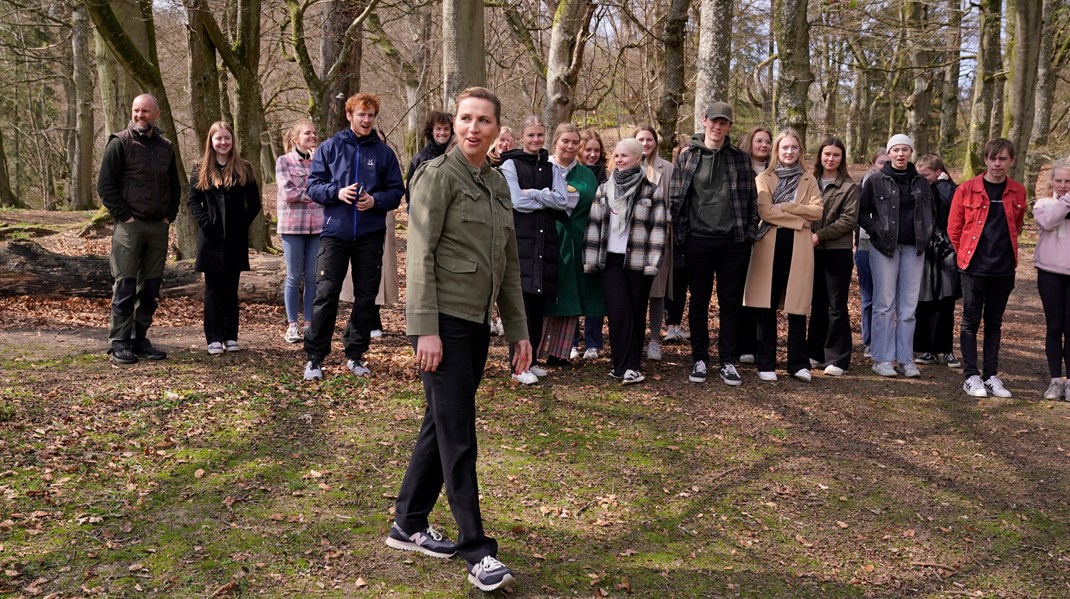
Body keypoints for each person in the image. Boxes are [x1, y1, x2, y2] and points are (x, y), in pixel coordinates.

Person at [389, 86, 530, 593]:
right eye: (466, 119)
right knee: (458, 434)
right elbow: (420, 255)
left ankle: (407, 522)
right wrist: (424, 328)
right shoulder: (435, 176)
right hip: (441, 322)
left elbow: (508, 264)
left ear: (496, 129)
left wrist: (518, 331)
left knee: (440, 423)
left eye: (484, 121)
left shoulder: (496, 184)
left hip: (474, 323)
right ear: (455, 124)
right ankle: (477, 551)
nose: (474, 128)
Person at [302, 92, 404, 381]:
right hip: (335, 233)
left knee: (365, 297)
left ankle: (355, 354)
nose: (367, 119)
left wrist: (376, 200)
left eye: (371, 115)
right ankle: (315, 357)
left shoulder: (383, 153)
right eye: (362, 114)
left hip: (370, 235)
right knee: (326, 294)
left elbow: (397, 191)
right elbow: (313, 187)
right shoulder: (330, 148)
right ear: (350, 116)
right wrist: (337, 192)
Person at [668, 101, 758, 386]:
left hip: (733, 242)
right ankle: (699, 358)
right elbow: (676, 201)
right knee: (699, 302)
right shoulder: (688, 157)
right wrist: (683, 236)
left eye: (724, 122)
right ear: (704, 121)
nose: (718, 126)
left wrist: (748, 235)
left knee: (731, 303)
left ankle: (728, 361)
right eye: (714, 121)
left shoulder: (739, 159)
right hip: (698, 242)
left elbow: (751, 201)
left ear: (729, 126)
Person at [98, 94, 179, 364]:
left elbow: (175, 186)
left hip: (159, 227)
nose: (139, 115)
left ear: (157, 114)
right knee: (125, 285)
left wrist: (170, 215)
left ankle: (138, 338)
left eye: (145, 111)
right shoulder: (119, 143)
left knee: (150, 287)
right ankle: (119, 342)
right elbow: (106, 186)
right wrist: (125, 217)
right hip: (129, 227)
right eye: (136, 110)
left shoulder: (166, 146)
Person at [948, 138, 1026, 398]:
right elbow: (954, 228)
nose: (997, 163)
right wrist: (964, 257)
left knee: (994, 323)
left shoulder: (1018, 191)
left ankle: (991, 375)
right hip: (973, 266)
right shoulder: (967, 189)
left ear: (1011, 161)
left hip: (1003, 268)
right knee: (971, 321)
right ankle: (971, 376)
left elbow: (1017, 224)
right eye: (993, 158)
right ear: (985, 160)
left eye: (1003, 159)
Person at [583, 138, 666, 384]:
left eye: (624, 156)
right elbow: (594, 226)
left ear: (638, 158)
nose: (619, 160)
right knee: (619, 311)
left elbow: (658, 229)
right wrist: (589, 260)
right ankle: (622, 364)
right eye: (616, 156)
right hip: (610, 261)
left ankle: (631, 366)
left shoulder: (651, 190)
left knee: (636, 312)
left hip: (639, 262)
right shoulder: (603, 189)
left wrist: (653, 262)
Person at [743, 128, 823, 382]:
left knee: (796, 305)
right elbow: (766, 212)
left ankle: (798, 364)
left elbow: (817, 212)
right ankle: (766, 362)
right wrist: (800, 220)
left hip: (798, 248)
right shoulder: (764, 177)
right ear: (777, 150)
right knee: (766, 304)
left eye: (794, 148)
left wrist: (787, 206)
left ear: (800, 151)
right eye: (785, 147)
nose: (789, 152)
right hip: (769, 245)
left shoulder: (808, 179)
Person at [499, 116, 572, 384]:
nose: (536, 140)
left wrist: (536, 194)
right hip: (521, 241)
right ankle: (518, 366)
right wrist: (545, 197)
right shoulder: (510, 164)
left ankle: (534, 360)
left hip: (546, 242)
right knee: (522, 306)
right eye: (531, 135)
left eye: (540, 135)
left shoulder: (551, 166)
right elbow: (517, 201)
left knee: (538, 304)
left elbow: (563, 200)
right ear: (521, 137)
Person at [857, 135, 934, 378]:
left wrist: (927, 235)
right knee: (884, 305)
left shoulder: (921, 183)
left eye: (905, 150)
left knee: (908, 307)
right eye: (896, 150)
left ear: (911, 152)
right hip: (885, 248)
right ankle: (882, 358)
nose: (900, 154)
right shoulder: (876, 181)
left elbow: (932, 214)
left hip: (914, 249)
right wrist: (876, 232)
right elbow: (862, 213)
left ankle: (905, 358)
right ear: (889, 153)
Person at [187, 121, 262, 354]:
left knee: (231, 288)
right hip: (210, 238)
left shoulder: (244, 168)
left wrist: (240, 225)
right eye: (218, 138)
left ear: (233, 141)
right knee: (212, 289)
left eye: (227, 138)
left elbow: (254, 204)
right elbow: (192, 201)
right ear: (211, 141)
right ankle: (213, 337)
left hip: (235, 239)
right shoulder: (200, 168)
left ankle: (231, 336)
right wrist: (205, 223)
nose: (223, 142)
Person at [542, 123, 604, 366]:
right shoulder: (543, 168)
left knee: (571, 294)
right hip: (547, 238)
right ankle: (531, 353)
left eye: (574, 142)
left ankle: (559, 353)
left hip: (578, 240)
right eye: (565, 141)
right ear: (555, 141)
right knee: (545, 295)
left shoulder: (586, 175)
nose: (569, 146)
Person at [806, 137, 859, 377]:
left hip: (837, 250)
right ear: (820, 156)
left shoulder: (849, 187)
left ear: (841, 158)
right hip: (811, 250)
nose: (830, 159)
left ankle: (838, 358)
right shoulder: (809, 182)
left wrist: (819, 236)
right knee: (817, 303)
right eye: (827, 154)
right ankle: (816, 353)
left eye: (836, 155)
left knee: (836, 305)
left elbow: (848, 220)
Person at [276, 119, 322, 344]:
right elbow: (288, 193)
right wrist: (313, 193)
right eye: (307, 133)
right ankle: (292, 324)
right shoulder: (284, 161)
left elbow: (327, 188)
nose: (312, 137)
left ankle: (309, 324)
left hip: (318, 226)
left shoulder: (321, 162)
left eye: (315, 133)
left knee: (312, 277)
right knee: (294, 276)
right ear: (296, 139)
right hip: (293, 226)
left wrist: (317, 166)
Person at [914, 154, 961, 368]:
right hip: (925, 249)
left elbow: (952, 206)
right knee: (925, 301)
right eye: (920, 174)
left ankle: (947, 349)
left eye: (926, 175)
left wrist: (942, 185)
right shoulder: (919, 189)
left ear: (938, 172)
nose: (922, 178)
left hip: (947, 249)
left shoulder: (951, 189)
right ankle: (928, 349)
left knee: (945, 301)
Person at [635, 124, 675, 361]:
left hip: (660, 238)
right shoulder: (625, 163)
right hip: (633, 240)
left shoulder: (667, 168)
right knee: (635, 290)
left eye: (649, 139)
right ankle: (636, 337)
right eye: (640, 139)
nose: (645, 144)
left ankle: (654, 341)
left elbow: (673, 201)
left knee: (657, 292)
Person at [734, 126, 774, 364]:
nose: (763, 145)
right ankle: (743, 345)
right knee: (741, 290)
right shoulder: (739, 168)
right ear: (750, 142)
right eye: (759, 141)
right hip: (743, 236)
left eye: (767, 142)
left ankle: (762, 345)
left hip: (768, 236)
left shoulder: (775, 171)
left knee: (763, 292)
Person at [570, 128, 608, 360]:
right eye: (588, 150)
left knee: (595, 290)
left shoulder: (608, 175)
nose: (592, 154)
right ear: (580, 151)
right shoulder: (573, 174)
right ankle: (572, 340)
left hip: (599, 239)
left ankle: (594, 342)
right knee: (573, 288)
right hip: (575, 235)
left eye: (596, 150)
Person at [1033, 161, 1070, 401]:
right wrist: (1066, 202)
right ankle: (1055, 380)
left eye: (1068, 182)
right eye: (1059, 181)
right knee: (1054, 326)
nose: (1064, 185)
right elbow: (1047, 223)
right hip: (1049, 272)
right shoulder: (1044, 204)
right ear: (1052, 182)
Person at [856, 150, 889, 359]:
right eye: (881, 162)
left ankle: (883, 339)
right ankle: (868, 340)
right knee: (868, 294)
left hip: (888, 246)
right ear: (873, 164)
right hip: (865, 244)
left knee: (884, 297)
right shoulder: (863, 185)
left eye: (888, 162)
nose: (884, 166)